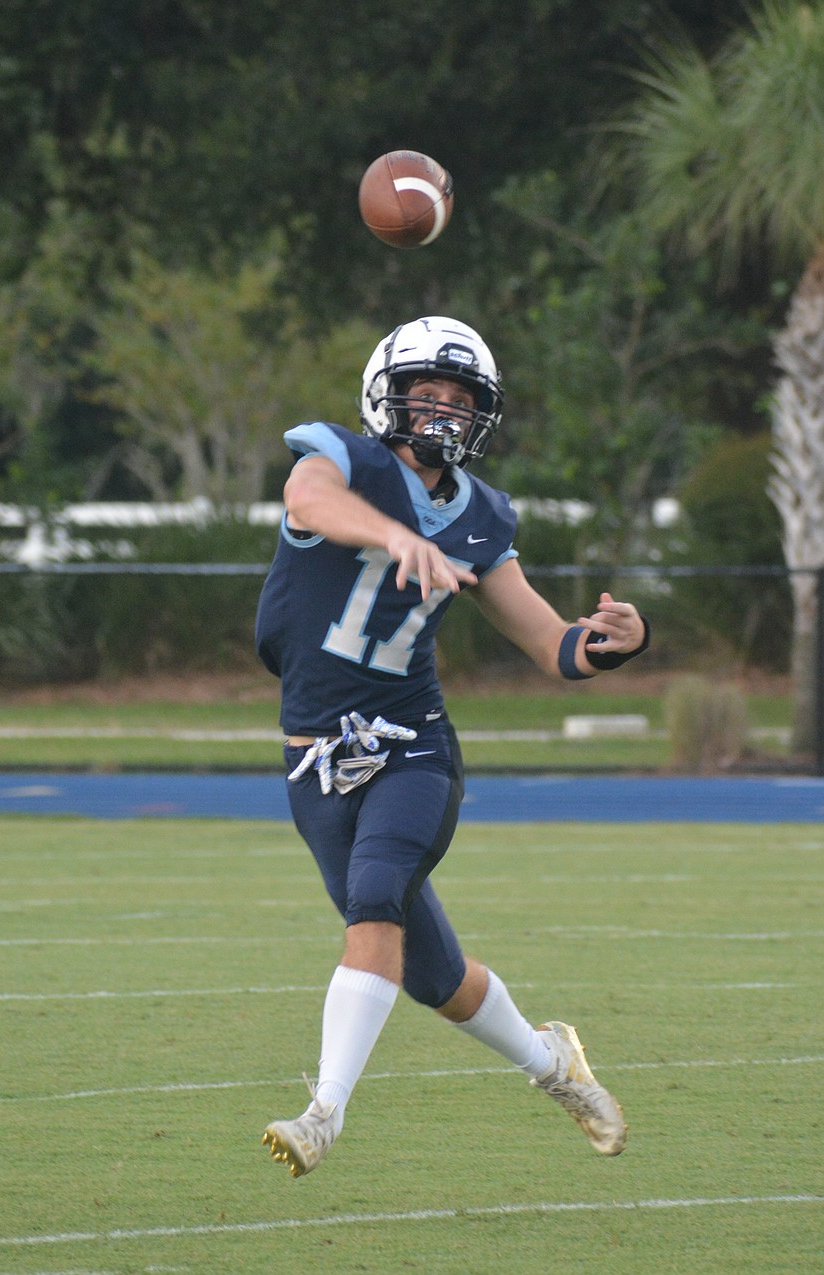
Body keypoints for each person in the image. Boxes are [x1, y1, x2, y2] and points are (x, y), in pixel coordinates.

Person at [255, 315, 649, 1179]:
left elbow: (553, 642)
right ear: (387, 394)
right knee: (434, 976)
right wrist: (391, 532)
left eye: (461, 398)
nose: (442, 409)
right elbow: (306, 499)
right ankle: (555, 1062)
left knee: (375, 898)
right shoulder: (342, 461)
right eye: (426, 391)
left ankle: (324, 1113)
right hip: (318, 759)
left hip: (413, 746)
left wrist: (618, 637)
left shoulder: (480, 514)